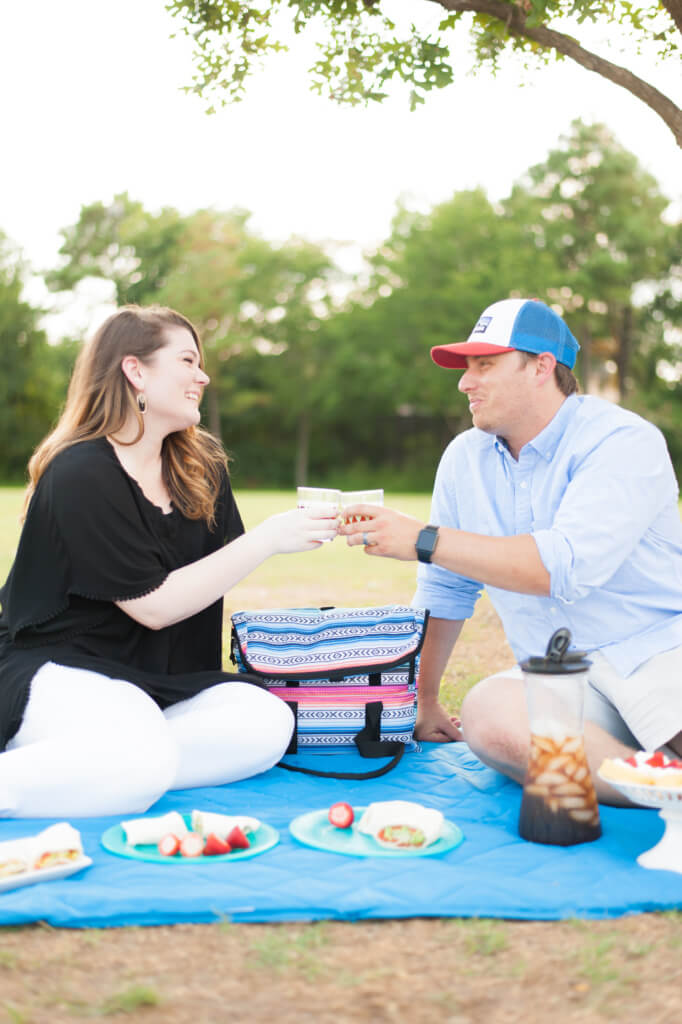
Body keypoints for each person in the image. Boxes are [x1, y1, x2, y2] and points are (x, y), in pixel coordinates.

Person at [340, 297, 682, 804]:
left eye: (485, 365)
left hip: (656, 652)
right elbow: (446, 587)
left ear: (541, 366)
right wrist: (425, 699)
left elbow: (562, 566)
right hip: (559, 671)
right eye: (465, 367)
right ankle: (660, 788)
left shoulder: (621, 440)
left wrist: (424, 539)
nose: (465, 382)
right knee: (489, 716)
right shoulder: (464, 458)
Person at [0, 305, 338, 818]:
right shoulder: (81, 471)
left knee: (266, 722)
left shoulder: (200, 469)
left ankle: (101, 766)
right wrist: (269, 538)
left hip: (153, 680)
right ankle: (91, 767)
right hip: (57, 667)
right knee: (140, 742)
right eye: (187, 360)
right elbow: (154, 606)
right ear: (135, 370)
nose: (203, 376)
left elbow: (208, 578)